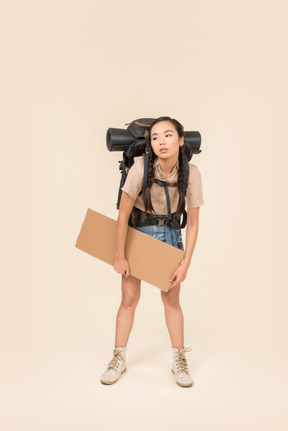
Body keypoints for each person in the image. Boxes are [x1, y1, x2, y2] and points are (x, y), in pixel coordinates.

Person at [100, 116, 204, 387]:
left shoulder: (191, 173)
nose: (161, 141)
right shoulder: (139, 166)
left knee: (171, 300)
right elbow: (122, 214)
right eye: (155, 137)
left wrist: (186, 264)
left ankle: (179, 361)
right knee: (129, 298)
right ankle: (118, 357)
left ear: (181, 140)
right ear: (150, 143)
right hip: (138, 233)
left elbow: (192, 224)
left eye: (168, 135)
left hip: (170, 234)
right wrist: (120, 255)